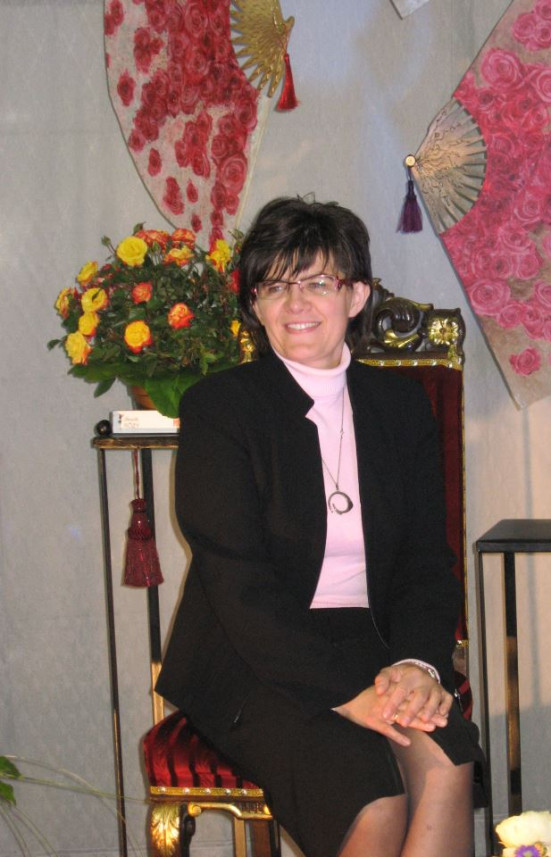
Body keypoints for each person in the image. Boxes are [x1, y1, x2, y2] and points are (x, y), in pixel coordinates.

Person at [156, 196, 483, 857]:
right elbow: (238, 585)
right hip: (251, 656)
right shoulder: (220, 409)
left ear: (356, 295)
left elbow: (426, 562)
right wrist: (346, 694)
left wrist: (418, 663)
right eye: (274, 286)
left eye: (317, 282)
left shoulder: (399, 405)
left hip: (375, 642)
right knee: (370, 797)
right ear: (255, 305)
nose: (295, 302)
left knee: (448, 760)